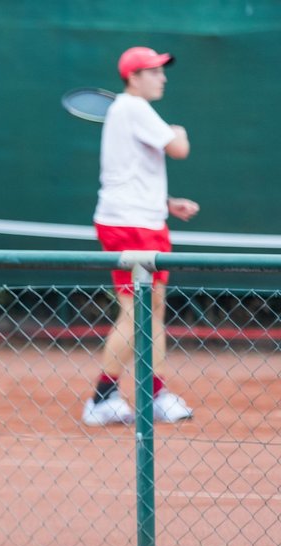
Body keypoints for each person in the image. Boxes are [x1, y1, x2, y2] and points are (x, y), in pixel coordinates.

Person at [83, 46, 200, 427]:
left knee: (154, 309)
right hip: (129, 226)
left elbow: (128, 173)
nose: (162, 77)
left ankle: (154, 393)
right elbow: (178, 148)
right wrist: (178, 130)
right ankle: (103, 397)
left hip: (144, 220)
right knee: (138, 311)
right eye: (154, 71)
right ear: (133, 77)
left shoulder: (126, 111)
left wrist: (166, 203)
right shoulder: (134, 108)